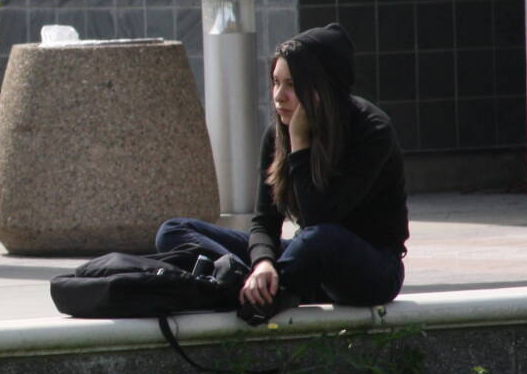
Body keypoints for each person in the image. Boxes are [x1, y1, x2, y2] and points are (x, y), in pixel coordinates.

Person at [155, 22, 408, 317]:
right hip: (304, 261)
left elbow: (319, 220)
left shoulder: (371, 130)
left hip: (369, 270)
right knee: (173, 231)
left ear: (321, 88)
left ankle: (251, 292)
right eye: (276, 82)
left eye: (291, 85)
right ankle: (256, 283)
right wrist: (263, 261)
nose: (278, 96)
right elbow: (264, 222)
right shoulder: (276, 135)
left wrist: (299, 142)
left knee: (321, 239)